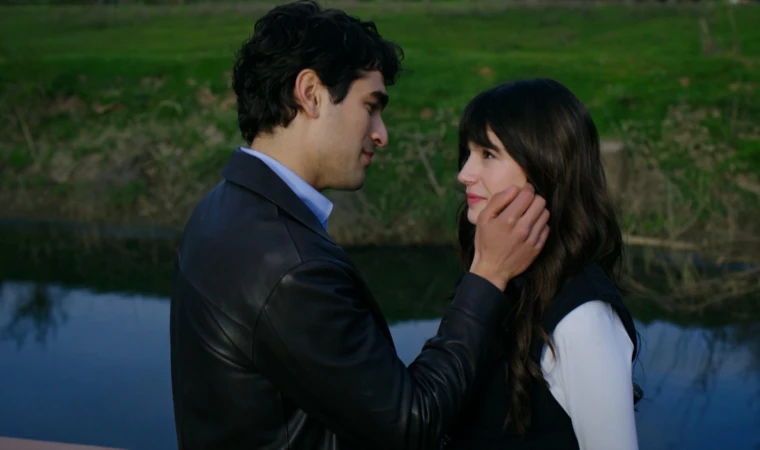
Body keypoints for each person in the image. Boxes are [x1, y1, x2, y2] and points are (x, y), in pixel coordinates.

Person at [168, 2, 551, 449]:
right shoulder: (290, 269)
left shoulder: (220, 206)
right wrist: (487, 276)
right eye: (370, 107)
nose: (380, 134)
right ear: (310, 93)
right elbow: (412, 425)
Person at [442, 78, 642, 450]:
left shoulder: (582, 316)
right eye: (468, 152)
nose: (464, 173)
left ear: (545, 163)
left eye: (488, 154)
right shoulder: (499, 281)